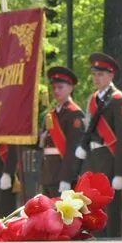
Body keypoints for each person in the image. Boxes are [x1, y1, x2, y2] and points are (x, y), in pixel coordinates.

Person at [75, 53, 122, 237]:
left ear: (111, 75)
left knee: (111, 209)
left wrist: (120, 173)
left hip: (110, 157)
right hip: (93, 158)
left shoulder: (118, 100)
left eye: (100, 74)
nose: (96, 78)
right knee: (93, 205)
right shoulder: (93, 100)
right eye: (94, 74)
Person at [39, 65, 84, 196]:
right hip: (48, 174)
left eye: (60, 87)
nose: (56, 91)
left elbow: (72, 149)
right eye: (54, 88)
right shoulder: (51, 114)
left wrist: (66, 178)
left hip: (62, 175)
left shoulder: (74, 114)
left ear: (70, 88)